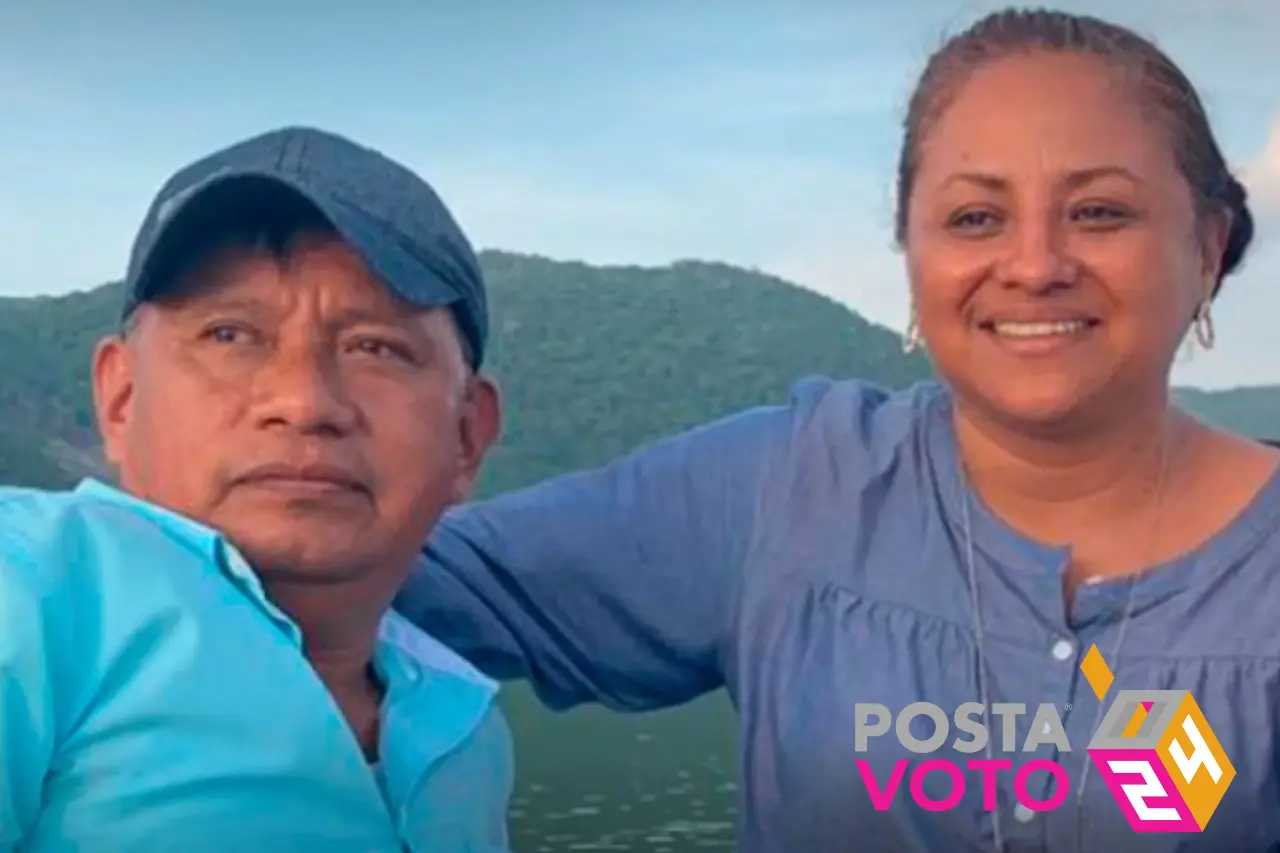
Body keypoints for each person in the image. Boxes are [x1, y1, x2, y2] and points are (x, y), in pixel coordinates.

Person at [397, 8, 1279, 853]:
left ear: (1207, 245)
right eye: (976, 217)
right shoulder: (793, 489)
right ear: (912, 251)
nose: (1036, 265)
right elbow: (395, 577)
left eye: (1099, 213)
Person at [0, 127, 511, 851]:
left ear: (467, 435)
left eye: (375, 347)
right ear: (120, 398)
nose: (303, 401)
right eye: (229, 335)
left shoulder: (469, 724)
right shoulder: (31, 593)